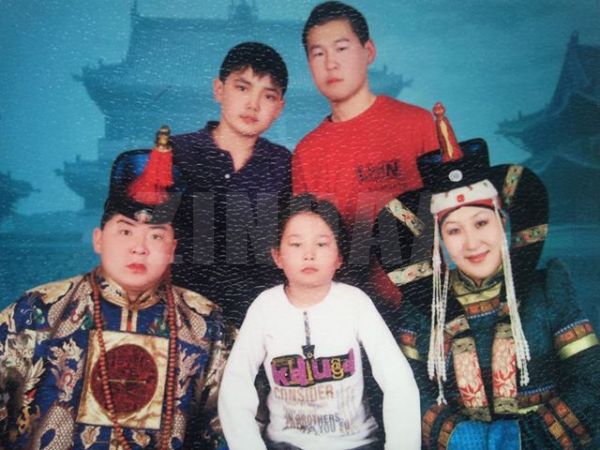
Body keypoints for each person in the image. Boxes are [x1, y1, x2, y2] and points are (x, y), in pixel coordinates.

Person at [373, 106, 600, 449]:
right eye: (453, 230)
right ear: (439, 240)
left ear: (502, 221)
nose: (472, 243)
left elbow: (592, 382)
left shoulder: (547, 289)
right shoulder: (422, 308)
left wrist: (519, 440)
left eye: (481, 223)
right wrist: (462, 438)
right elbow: (408, 392)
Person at [0, 129, 227, 449]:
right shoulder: (38, 310)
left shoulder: (206, 324)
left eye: (156, 235)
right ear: (98, 239)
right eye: (125, 231)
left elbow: (236, 423)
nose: (139, 247)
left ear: (173, 248)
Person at [219, 194, 420, 450]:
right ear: (277, 256)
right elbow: (235, 384)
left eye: (322, 244)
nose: (309, 254)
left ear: (339, 258)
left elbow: (397, 380)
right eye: (296, 244)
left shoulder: (354, 302)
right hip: (285, 444)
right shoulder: (265, 307)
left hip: (355, 445)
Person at [292, 1, 439, 304]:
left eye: (341, 48)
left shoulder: (418, 124)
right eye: (318, 54)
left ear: (368, 52)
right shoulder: (306, 153)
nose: (330, 63)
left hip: (426, 304)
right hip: (347, 310)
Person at [170, 41, 291, 329]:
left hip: (257, 322)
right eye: (242, 88)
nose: (253, 104)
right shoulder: (176, 153)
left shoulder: (285, 166)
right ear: (219, 89)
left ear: (279, 108)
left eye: (268, 96)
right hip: (177, 318)